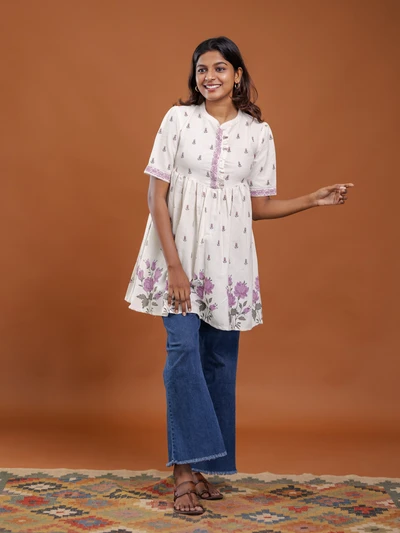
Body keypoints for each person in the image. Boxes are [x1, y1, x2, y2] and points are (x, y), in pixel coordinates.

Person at [125, 36, 353, 515]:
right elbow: (155, 197)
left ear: (238, 75)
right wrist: (173, 266)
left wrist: (313, 199)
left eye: (220, 68)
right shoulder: (177, 119)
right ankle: (182, 472)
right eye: (202, 69)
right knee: (183, 354)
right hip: (177, 260)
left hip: (229, 267)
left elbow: (257, 207)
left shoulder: (257, 133)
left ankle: (202, 466)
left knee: (218, 364)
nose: (209, 76)